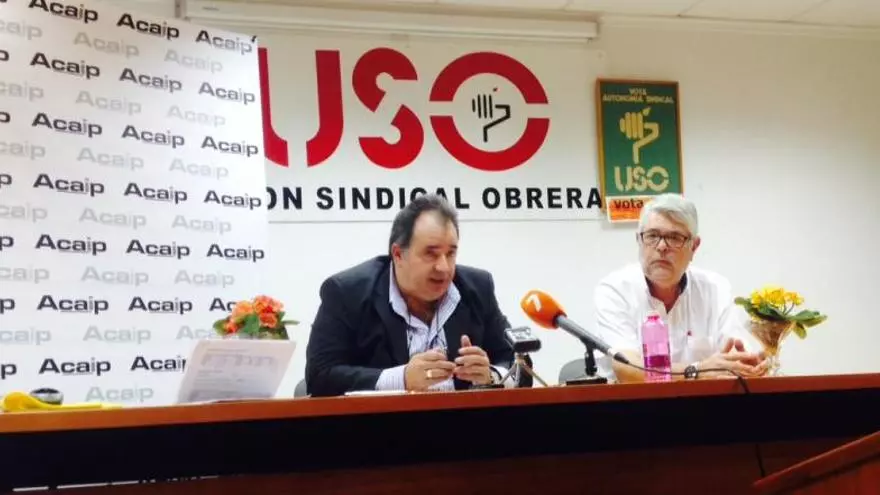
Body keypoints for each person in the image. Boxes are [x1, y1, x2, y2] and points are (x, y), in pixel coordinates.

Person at [305, 193, 515, 397]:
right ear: (398, 254)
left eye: (451, 253)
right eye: (431, 253)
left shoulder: (477, 288)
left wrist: (492, 375)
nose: (443, 267)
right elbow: (320, 375)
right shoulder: (347, 293)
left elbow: (518, 361)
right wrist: (401, 379)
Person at [594, 193, 767, 383]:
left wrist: (745, 363)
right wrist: (696, 371)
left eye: (675, 237)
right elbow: (627, 369)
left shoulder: (715, 289)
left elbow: (736, 358)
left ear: (694, 247)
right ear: (639, 240)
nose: (661, 246)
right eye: (652, 236)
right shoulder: (615, 291)